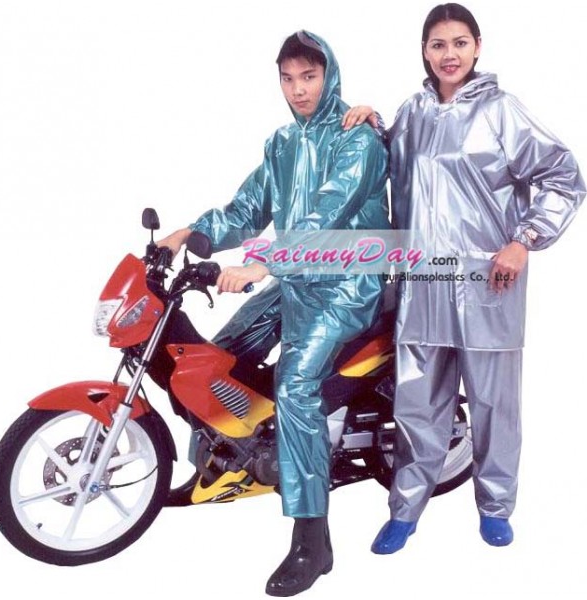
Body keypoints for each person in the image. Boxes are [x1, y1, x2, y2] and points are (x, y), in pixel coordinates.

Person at [343, 2, 585, 552]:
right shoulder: (413, 113)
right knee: (416, 405)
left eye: (459, 43)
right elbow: (387, 164)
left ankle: (495, 506)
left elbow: (564, 176)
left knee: (494, 405)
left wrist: (524, 241)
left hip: (487, 283)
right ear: (424, 52)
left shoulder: (502, 111)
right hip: (423, 284)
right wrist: (370, 122)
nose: (448, 54)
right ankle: (405, 511)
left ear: (478, 47)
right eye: (438, 44)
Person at [158, 31, 389, 595]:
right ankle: (223, 463)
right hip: (294, 281)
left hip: (346, 285)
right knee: (215, 360)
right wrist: (191, 233)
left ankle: (312, 541)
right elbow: (247, 208)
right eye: (288, 79)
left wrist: (262, 265)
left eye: (309, 77)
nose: (298, 89)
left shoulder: (359, 140)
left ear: (329, 76)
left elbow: (324, 216)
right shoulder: (282, 143)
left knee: (296, 388)